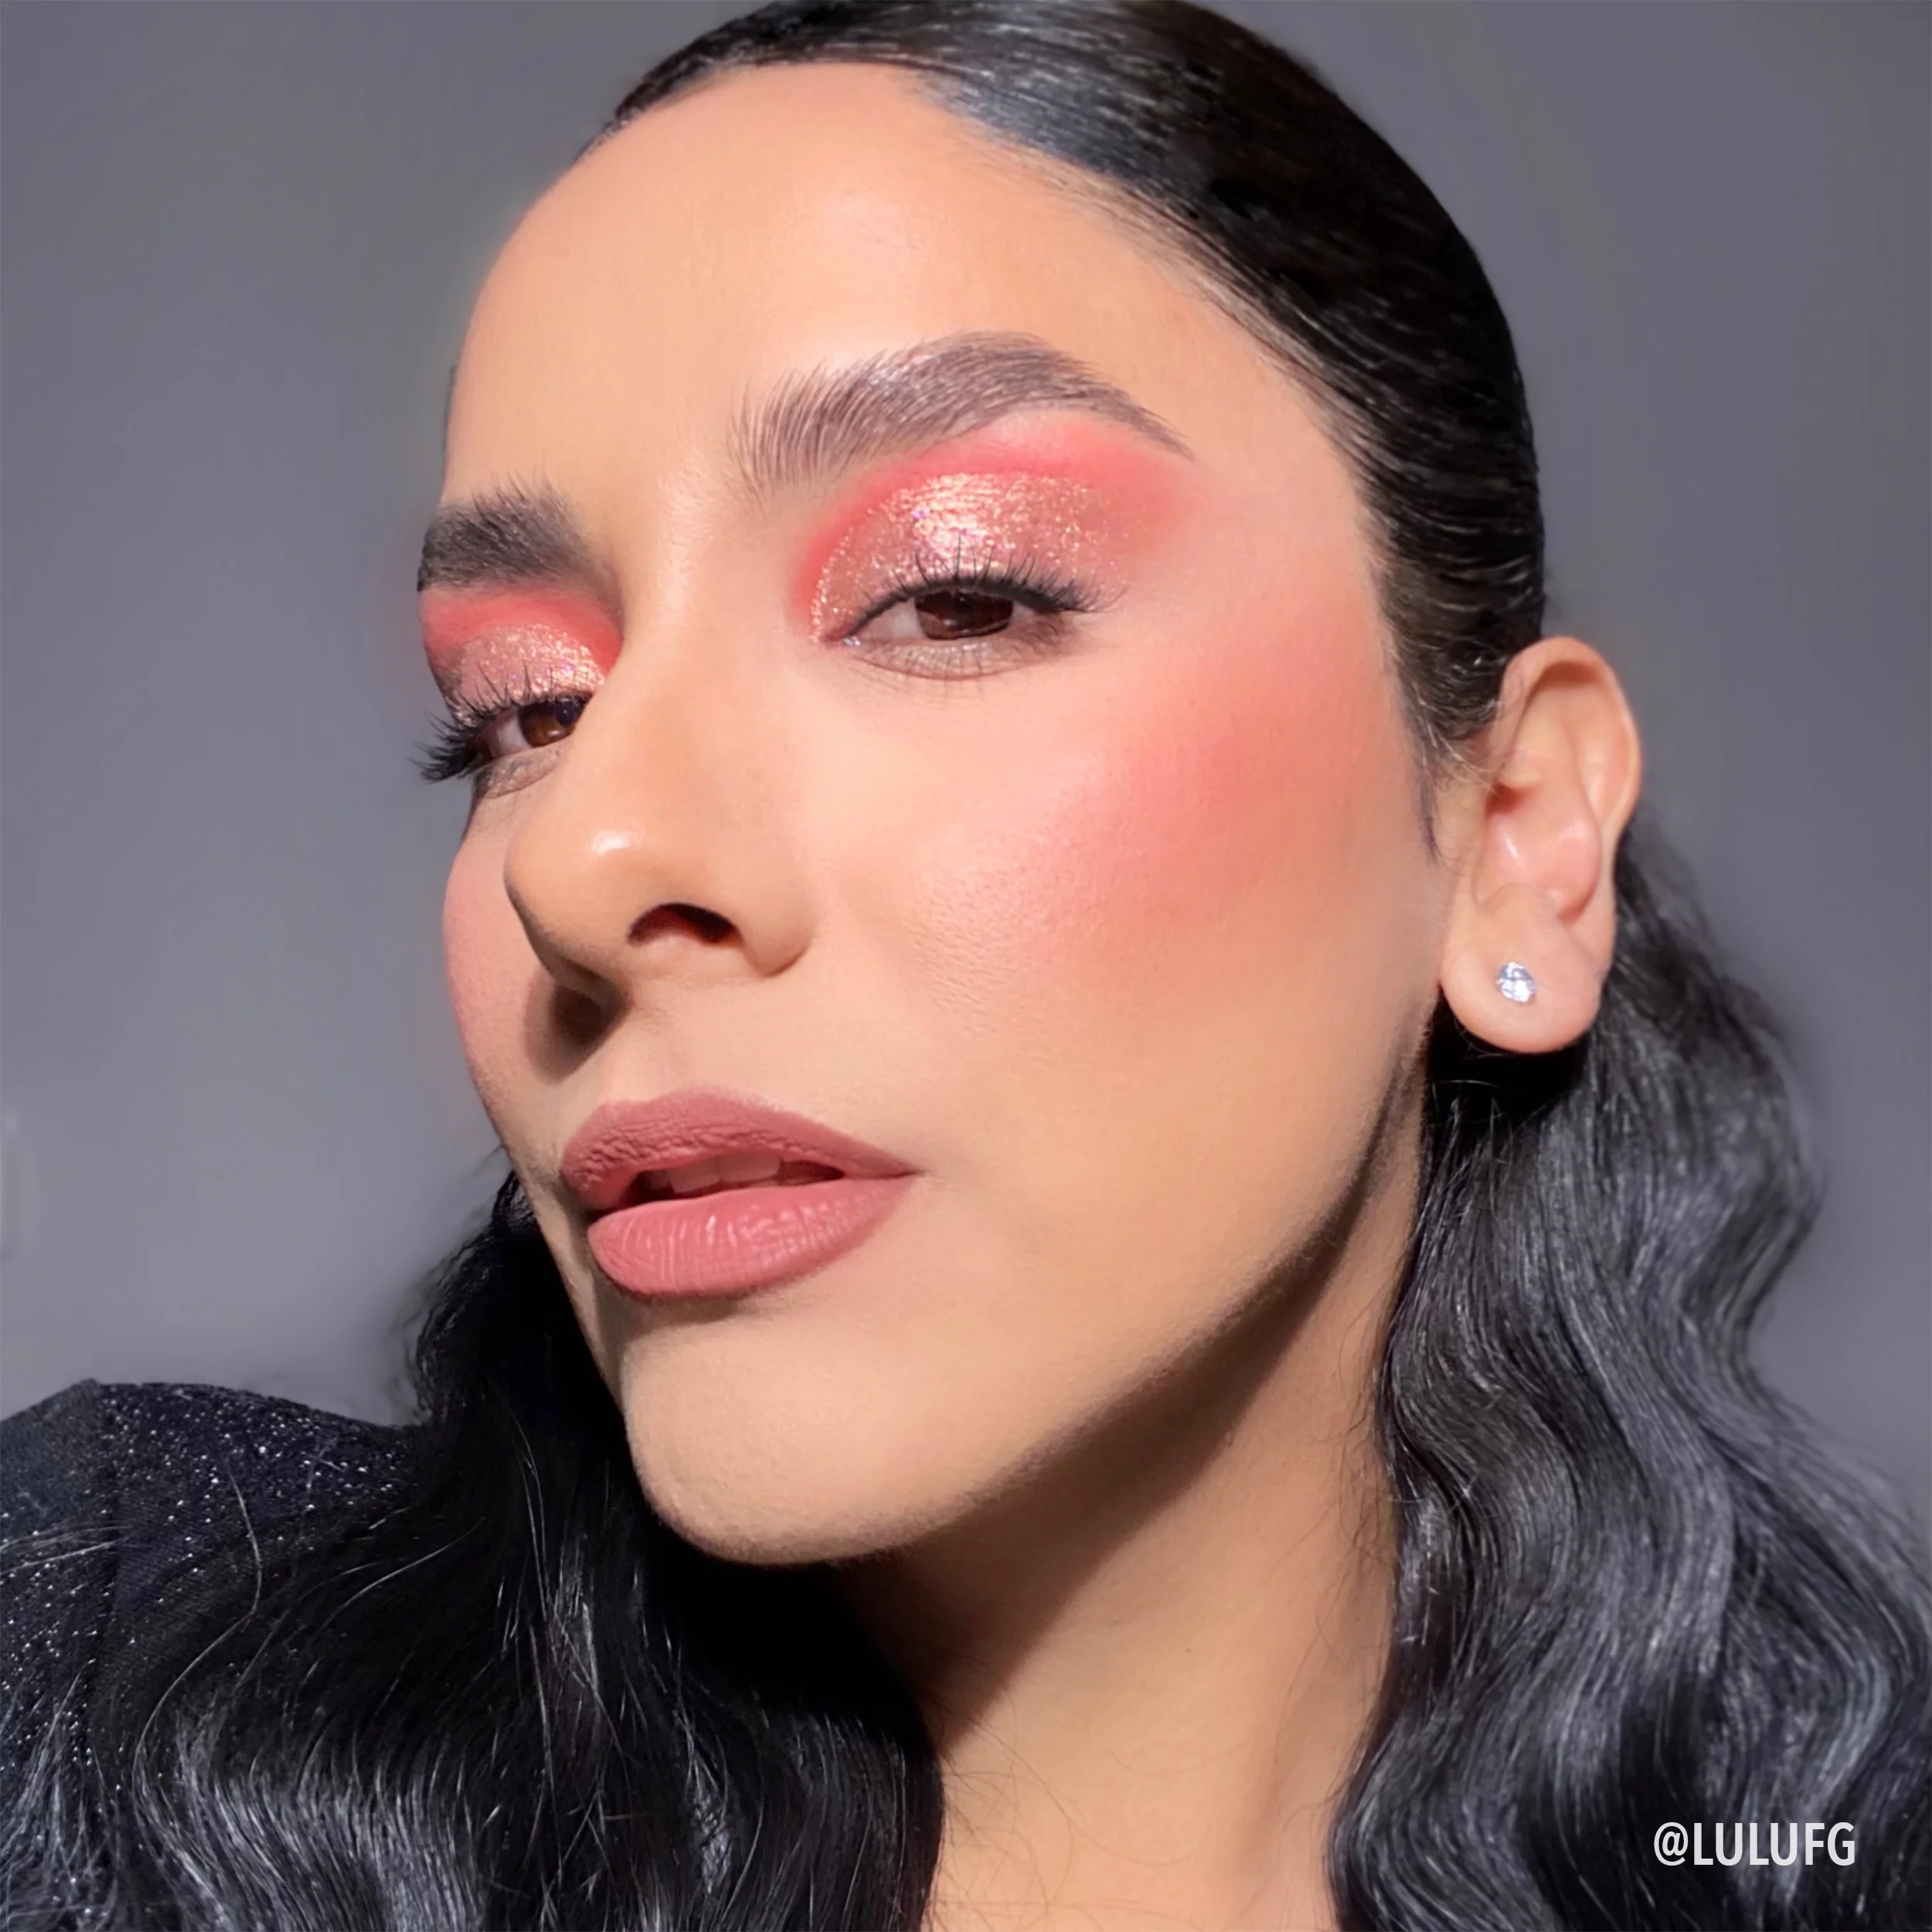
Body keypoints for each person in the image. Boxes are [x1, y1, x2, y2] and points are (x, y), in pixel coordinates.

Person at [3, 4, 1926, 1927]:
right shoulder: (103, 1699)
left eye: (953, 594)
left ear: (1513, 838)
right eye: (526, 707)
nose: (580, 857)